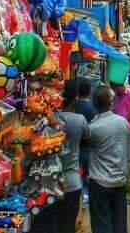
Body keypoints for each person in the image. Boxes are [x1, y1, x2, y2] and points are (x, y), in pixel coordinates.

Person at [88, 86, 130, 233]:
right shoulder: (123, 122)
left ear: (94, 104)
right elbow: (127, 149)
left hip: (100, 181)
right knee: (119, 223)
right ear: (111, 103)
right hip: (119, 180)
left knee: (101, 223)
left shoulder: (93, 128)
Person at [54, 80, 89, 233]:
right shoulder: (79, 120)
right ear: (75, 98)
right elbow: (87, 138)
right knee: (68, 225)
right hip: (72, 181)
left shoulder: (50, 118)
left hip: (50, 181)